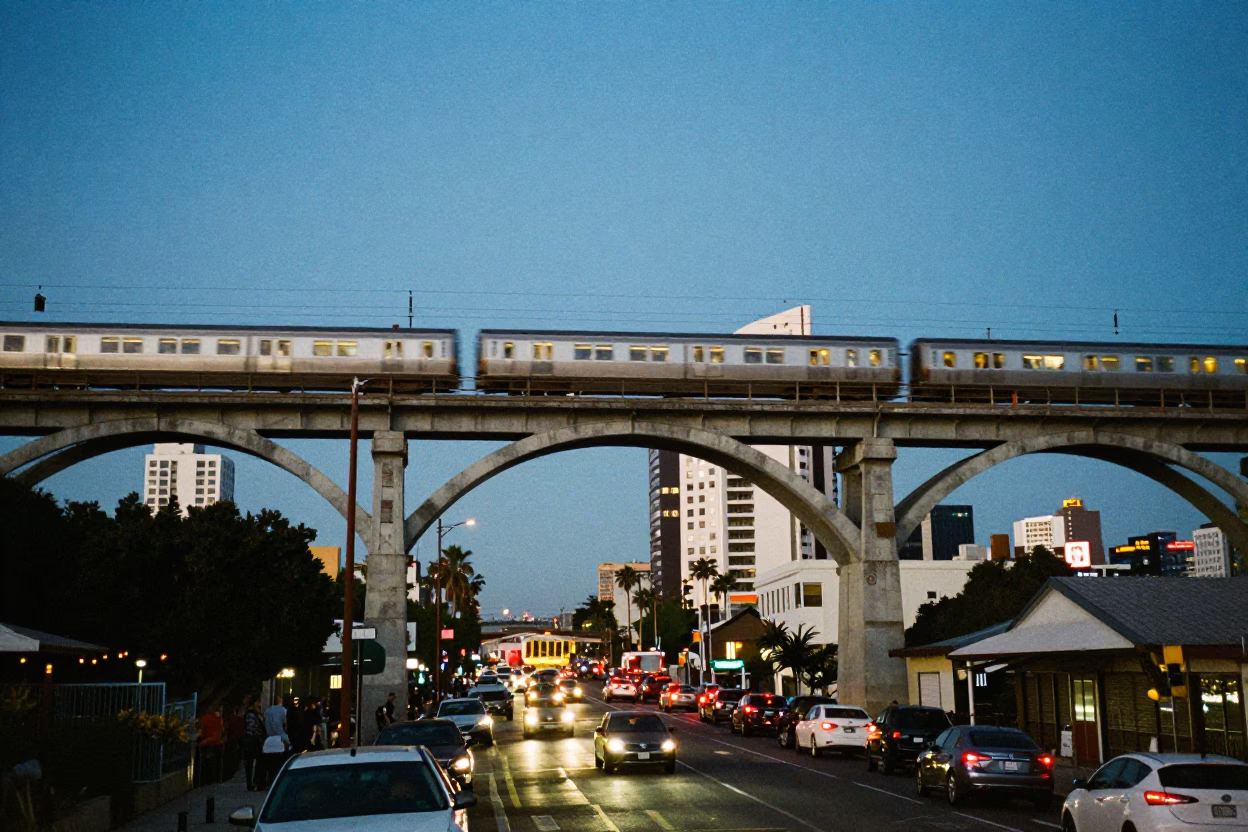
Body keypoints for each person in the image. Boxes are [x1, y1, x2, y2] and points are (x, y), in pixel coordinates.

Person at [196, 706, 225, 785]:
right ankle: (218, 780)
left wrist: (201, 742)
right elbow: (222, 731)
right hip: (217, 743)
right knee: (217, 763)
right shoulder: (219, 718)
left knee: (207, 763)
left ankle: (207, 781)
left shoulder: (203, 718)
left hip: (207, 744)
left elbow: (201, 732)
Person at [242, 700, 266, 791]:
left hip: (252, 740)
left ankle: (253, 783)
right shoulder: (252, 714)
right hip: (253, 740)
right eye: (258, 702)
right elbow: (251, 728)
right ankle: (254, 783)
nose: (260, 704)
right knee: (254, 762)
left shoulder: (253, 713)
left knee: (251, 763)